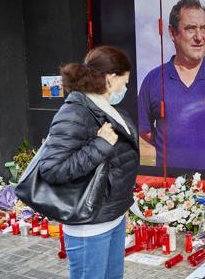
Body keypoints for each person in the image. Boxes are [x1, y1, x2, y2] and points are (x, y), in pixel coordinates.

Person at [38, 46, 139, 279]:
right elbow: (52, 169)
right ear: (110, 78)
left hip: (111, 217)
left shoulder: (106, 108)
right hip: (88, 225)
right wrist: (100, 146)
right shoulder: (75, 112)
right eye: (124, 82)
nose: (125, 88)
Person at [138, 0, 205, 171]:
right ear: (173, 33)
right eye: (190, 29)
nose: (199, 37)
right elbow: (146, 132)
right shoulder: (153, 80)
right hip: (171, 191)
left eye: (204, 29)